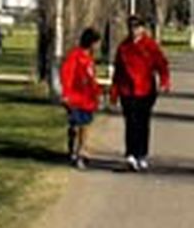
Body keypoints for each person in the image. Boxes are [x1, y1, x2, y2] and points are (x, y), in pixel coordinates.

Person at [110, 14, 170, 172]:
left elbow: (161, 64)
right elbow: (118, 71)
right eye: (131, 27)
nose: (133, 30)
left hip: (145, 90)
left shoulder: (150, 45)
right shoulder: (123, 47)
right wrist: (114, 92)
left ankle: (142, 154)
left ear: (142, 29)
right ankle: (130, 154)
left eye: (136, 27)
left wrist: (164, 81)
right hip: (127, 91)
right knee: (130, 122)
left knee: (143, 123)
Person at [59, 27, 103, 169]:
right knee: (75, 126)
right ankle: (73, 151)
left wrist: (98, 94)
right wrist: (66, 94)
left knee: (85, 126)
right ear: (90, 42)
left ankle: (80, 152)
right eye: (96, 43)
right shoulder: (75, 56)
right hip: (75, 98)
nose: (97, 46)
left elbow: (92, 79)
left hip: (87, 99)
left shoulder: (89, 59)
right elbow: (67, 75)